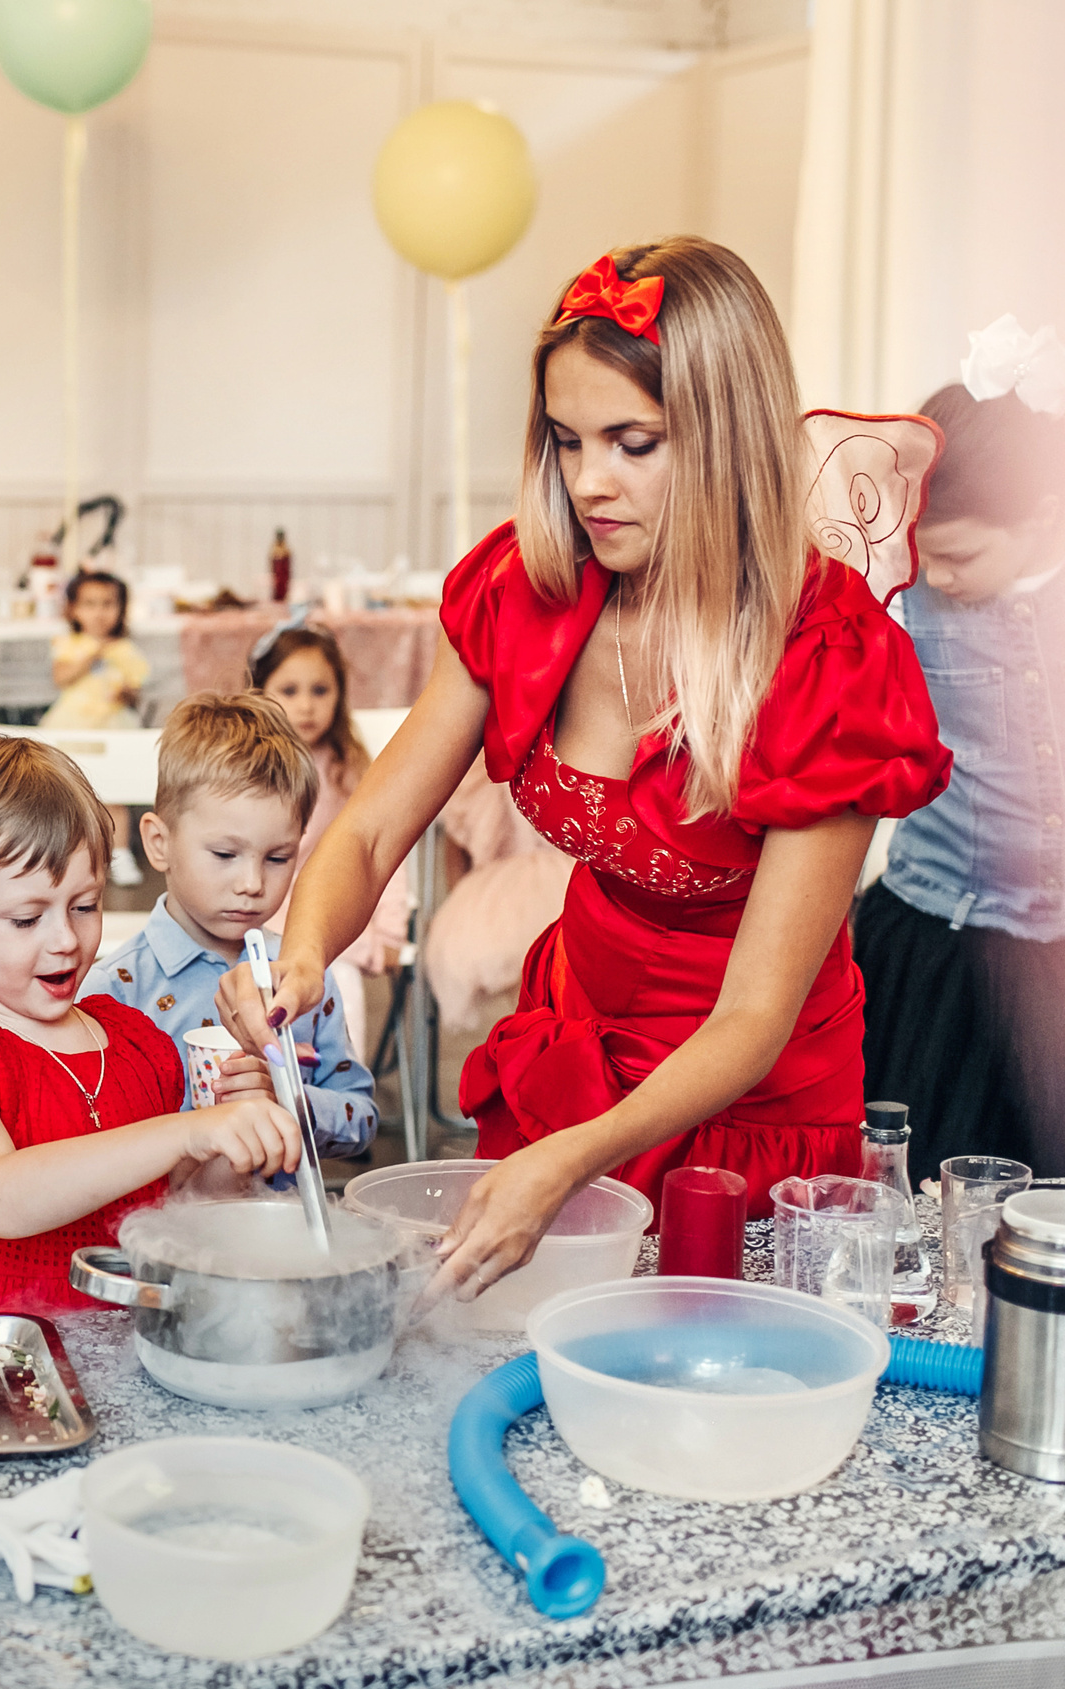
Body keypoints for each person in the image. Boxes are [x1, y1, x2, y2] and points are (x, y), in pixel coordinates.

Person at [217, 238, 950, 1304]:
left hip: (748, 1091)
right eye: (565, 441)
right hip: (577, 1030)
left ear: (727, 439)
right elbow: (372, 832)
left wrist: (571, 1159)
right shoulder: (529, 589)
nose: (588, 482)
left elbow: (752, 1018)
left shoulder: (824, 656)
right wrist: (300, 959)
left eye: (632, 442)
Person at [856, 323, 1065, 1182]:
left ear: (1045, 518)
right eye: (921, 553)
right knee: (932, 1191)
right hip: (945, 943)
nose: (934, 575)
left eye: (956, 555)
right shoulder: (906, 596)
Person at [0, 732, 301, 1317]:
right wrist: (182, 1132)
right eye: (26, 918)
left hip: (131, 1343)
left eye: (84, 906)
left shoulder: (133, 1038)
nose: (65, 940)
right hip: (1, 1353)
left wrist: (228, 1147)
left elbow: (176, 1206)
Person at [83, 695, 379, 1158]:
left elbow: (360, 1120)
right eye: (224, 855)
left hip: (280, 1225)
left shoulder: (300, 982)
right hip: (159, 1227)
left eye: (278, 858)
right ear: (159, 844)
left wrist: (289, 1100)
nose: (252, 883)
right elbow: (89, 1143)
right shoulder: (113, 989)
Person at [251, 624, 408, 1058]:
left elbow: (386, 847)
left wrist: (392, 927)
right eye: (289, 690)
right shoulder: (249, 768)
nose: (305, 705)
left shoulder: (349, 767)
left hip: (332, 906)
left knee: (339, 980)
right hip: (262, 906)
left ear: (340, 695)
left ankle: (340, 1080)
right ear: (260, 692)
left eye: (320, 690)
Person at [39, 569, 150, 889]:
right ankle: (66, 852)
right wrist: (92, 654)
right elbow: (61, 676)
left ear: (121, 609)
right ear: (73, 609)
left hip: (112, 724)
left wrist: (125, 693)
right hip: (74, 723)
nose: (99, 612)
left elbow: (135, 688)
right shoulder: (70, 644)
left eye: (107, 604)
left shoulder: (125, 649)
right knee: (69, 790)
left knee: (114, 791)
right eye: (89, 604)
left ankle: (120, 853)